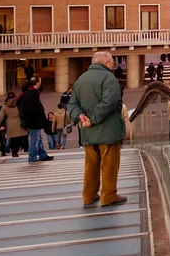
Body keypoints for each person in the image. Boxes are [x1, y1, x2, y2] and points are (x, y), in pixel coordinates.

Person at [67, 51, 126, 207]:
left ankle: (89, 196)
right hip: (108, 131)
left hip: (87, 132)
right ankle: (108, 196)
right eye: (112, 63)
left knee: (91, 166)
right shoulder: (109, 78)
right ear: (106, 63)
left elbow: (72, 104)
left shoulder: (81, 79)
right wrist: (93, 120)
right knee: (109, 165)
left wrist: (80, 116)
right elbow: (110, 102)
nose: (113, 65)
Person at [18, 76, 54, 163]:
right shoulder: (30, 94)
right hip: (32, 122)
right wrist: (39, 113)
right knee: (34, 140)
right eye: (40, 81)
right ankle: (32, 157)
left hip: (34, 121)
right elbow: (31, 109)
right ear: (37, 83)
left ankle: (42, 155)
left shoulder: (32, 92)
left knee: (39, 138)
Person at [0, 92, 27, 157]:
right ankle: (16, 150)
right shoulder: (19, 104)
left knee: (12, 138)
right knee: (19, 138)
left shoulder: (5, 106)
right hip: (19, 123)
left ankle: (13, 151)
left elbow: (0, 118)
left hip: (10, 124)